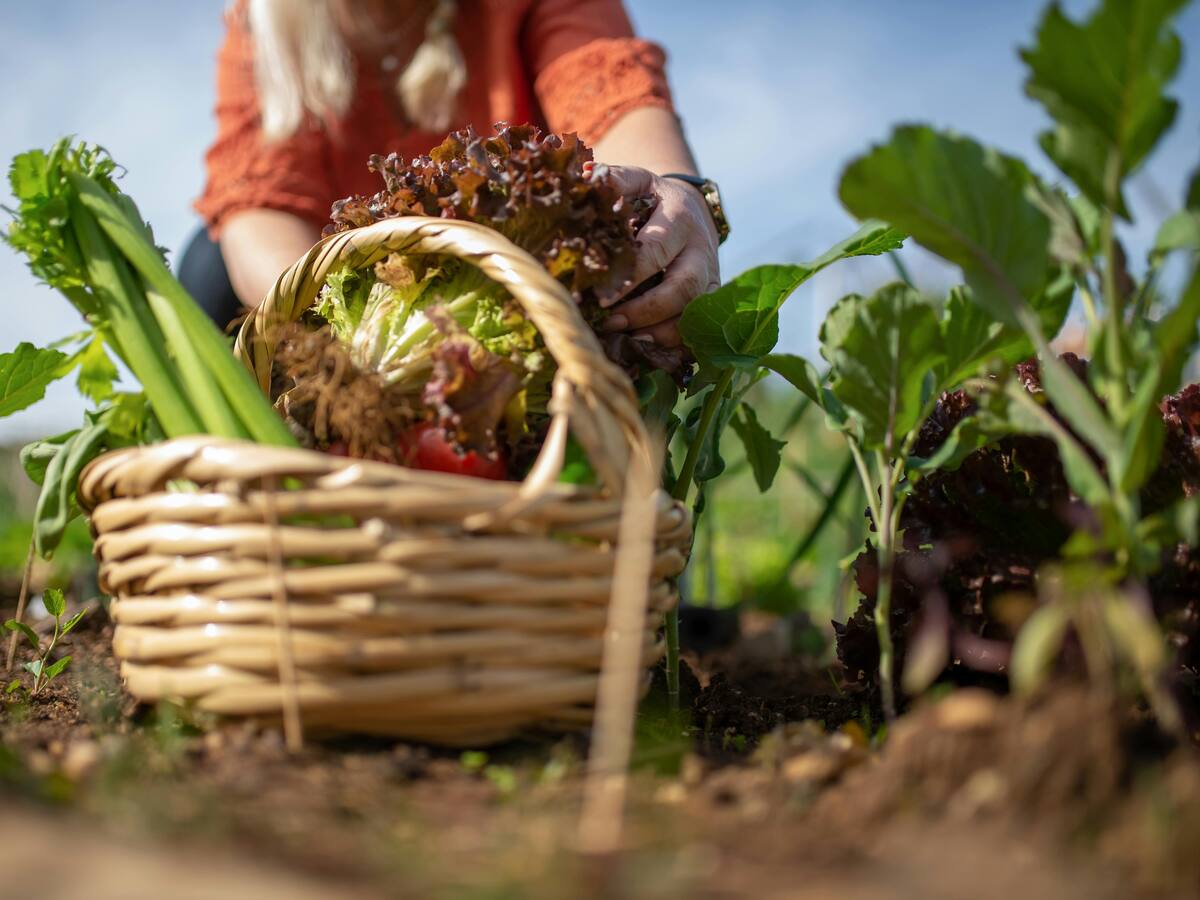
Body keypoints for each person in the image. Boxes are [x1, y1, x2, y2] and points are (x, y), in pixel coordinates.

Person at [181, 0, 728, 350]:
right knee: (208, 271)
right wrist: (373, 346)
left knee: (634, 277)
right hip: (353, 320)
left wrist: (673, 191)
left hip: (521, 302)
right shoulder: (264, 25)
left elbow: (613, 96)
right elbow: (261, 212)